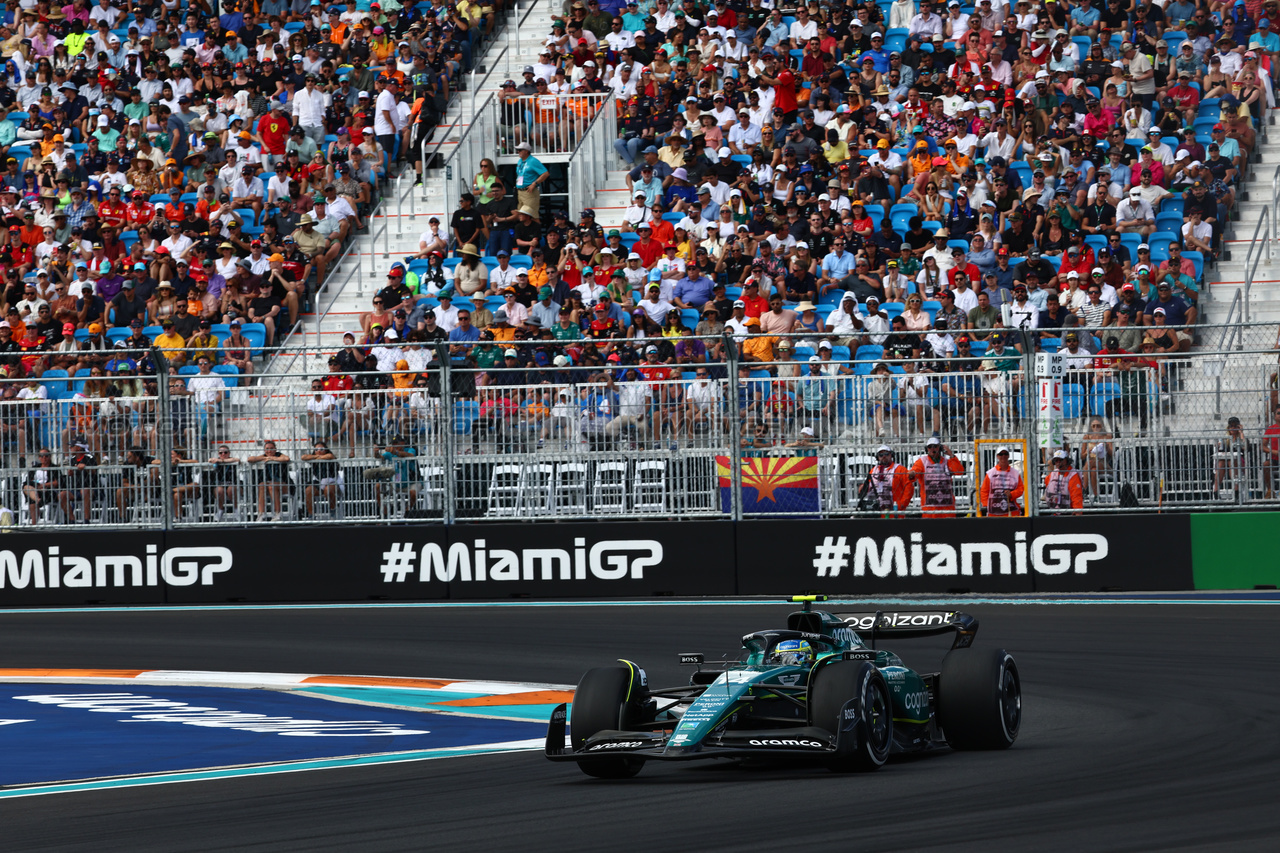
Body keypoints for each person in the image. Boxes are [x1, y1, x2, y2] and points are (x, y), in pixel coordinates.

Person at [909, 436, 966, 517]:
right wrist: (912, 473)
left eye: (935, 446)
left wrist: (951, 455)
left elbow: (959, 471)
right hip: (930, 506)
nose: (933, 449)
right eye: (930, 447)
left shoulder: (947, 461)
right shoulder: (922, 461)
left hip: (947, 505)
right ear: (927, 449)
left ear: (940, 448)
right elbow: (914, 472)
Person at [248, 439, 290, 522]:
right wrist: (264, 458)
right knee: (261, 485)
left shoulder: (279, 455)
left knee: (272, 486)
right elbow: (250, 459)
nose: (269, 450)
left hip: (284, 484)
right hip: (269, 484)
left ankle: (278, 514)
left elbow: (286, 458)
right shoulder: (264, 456)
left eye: (271, 448)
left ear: (275, 449)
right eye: (267, 449)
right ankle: (261, 514)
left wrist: (273, 459)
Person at [863, 444, 913, 514]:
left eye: (886, 454)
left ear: (891, 455)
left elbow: (909, 488)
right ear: (878, 457)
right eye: (881, 455)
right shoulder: (873, 471)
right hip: (876, 511)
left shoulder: (900, 469)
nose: (884, 456)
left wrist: (902, 504)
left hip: (895, 510)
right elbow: (866, 488)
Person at [301, 439, 343, 518]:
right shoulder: (314, 458)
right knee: (308, 490)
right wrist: (317, 457)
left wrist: (315, 457)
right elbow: (303, 457)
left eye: (321, 449)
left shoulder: (330, 456)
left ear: (326, 450)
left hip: (332, 481)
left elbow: (329, 456)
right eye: (316, 449)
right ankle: (311, 515)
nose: (319, 451)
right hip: (318, 482)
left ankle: (332, 510)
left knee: (328, 490)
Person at [980, 446, 1024, 517]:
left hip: (1011, 512)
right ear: (997, 456)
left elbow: (1020, 489)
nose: (1003, 456)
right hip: (994, 513)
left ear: (1008, 456)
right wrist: (986, 506)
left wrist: (1012, 494)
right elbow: (984, 491)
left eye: (1005, 454)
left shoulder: (1015, 473)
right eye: (1001, 454)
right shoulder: (990, 473)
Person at [1043, 449, 1084, 514]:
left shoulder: (1073, 475)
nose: (1058, 462)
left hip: (1069, 512)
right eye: (1056, 460)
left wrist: (1077, 511)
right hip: (1054, 511)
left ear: (1066, 461)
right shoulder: (1053, 474)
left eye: (1060, 460)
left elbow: (1076, 496)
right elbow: (1047, 484)